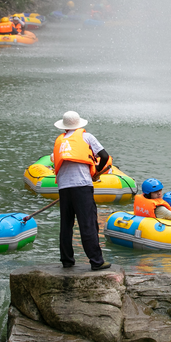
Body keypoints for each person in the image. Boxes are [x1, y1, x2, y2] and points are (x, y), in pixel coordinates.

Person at [52, 111, 111, 271]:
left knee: (66, 224)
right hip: (82, 185)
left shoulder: (59, 141)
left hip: (64, 187)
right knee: (88, 224)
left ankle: (67, 260)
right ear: (79, 124)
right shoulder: (87, 137)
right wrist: (96, 171)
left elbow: (54, 160)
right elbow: (104, 156)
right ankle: (97, 262)